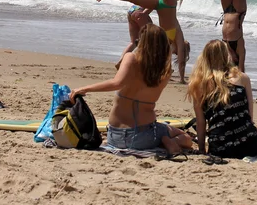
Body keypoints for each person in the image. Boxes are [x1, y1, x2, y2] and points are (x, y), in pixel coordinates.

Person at [69, 24, 195, 154]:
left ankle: (165, 140)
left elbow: (117, 83)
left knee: (164, 128)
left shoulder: (131, 58)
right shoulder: (165, 72)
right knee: (185, 138)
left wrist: (85, 89)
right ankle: (171, 142)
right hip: (145, 136)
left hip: (115, 137)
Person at [187, 40, 257, 159]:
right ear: (226, 56)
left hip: (219, 149)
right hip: (249, 144)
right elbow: (249, 117)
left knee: (252, 141)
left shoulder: (198, 86)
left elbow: (201, 123)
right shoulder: (242, 78)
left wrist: (201, 149)